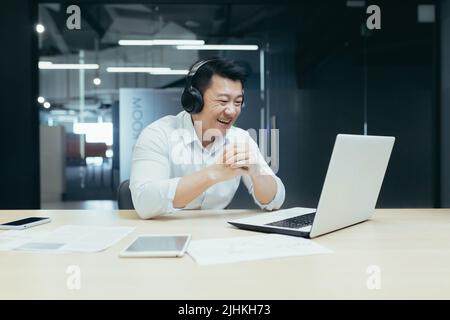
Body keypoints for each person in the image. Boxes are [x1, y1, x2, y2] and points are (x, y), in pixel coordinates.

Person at [130, 58, 285, 219]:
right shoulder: (158, 134)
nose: (232, 111)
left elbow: (276, 200)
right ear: (194, 100)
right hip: (167, 235)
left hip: (217, 234)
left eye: (238, 102)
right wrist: (213, 174)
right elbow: (144, 202)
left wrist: (256, 173)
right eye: (223, 101)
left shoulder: (240, 138)